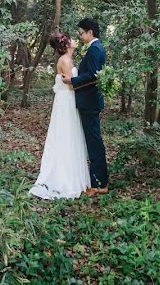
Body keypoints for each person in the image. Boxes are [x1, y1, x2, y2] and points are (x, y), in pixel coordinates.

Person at [29, 32, 92, 199]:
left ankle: (73, 175)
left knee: (72, 135)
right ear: (66, 44)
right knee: (65, 136)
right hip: (66, 102)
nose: (74, 40)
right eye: (71, 39)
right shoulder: (64, 61)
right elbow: (72, 86)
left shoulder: (69, 60)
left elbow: (72, 82)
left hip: (70, 100)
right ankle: (63, 179)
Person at [62, 17, 109, 195]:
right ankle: (96, 180)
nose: (80, 36)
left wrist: (72, 81)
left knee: (94, 142)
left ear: (90, 32)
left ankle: (100, 184)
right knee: (92, 141)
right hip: (88, 101)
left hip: (90, 102)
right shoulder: (94, 48)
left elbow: (93, 76)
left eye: (81, 33)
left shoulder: (96, 49)